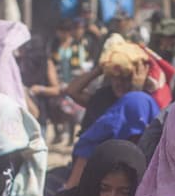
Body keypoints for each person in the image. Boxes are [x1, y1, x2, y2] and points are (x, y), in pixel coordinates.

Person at [66, 42, 160, 185]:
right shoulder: (102, 97)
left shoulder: (141, 103)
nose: (120, 83)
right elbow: (72, 91)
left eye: (126, 78)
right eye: (116, 78)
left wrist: (136, 88)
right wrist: (99, 69)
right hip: (89, 164)